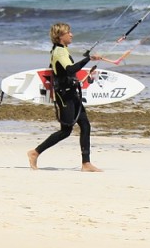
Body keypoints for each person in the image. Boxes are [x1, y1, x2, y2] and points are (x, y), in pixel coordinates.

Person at [27, 22, 101, 172]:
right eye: (69, 32)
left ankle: (86, 163)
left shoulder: (62, 50)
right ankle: (35, 152)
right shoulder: (59, 51)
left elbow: (63, 72)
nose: (71, 34)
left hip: (72, 93)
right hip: (64, 96)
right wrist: (88, 59)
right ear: (61, 36)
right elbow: (70, 69)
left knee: (85, 125)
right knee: (65, 131)